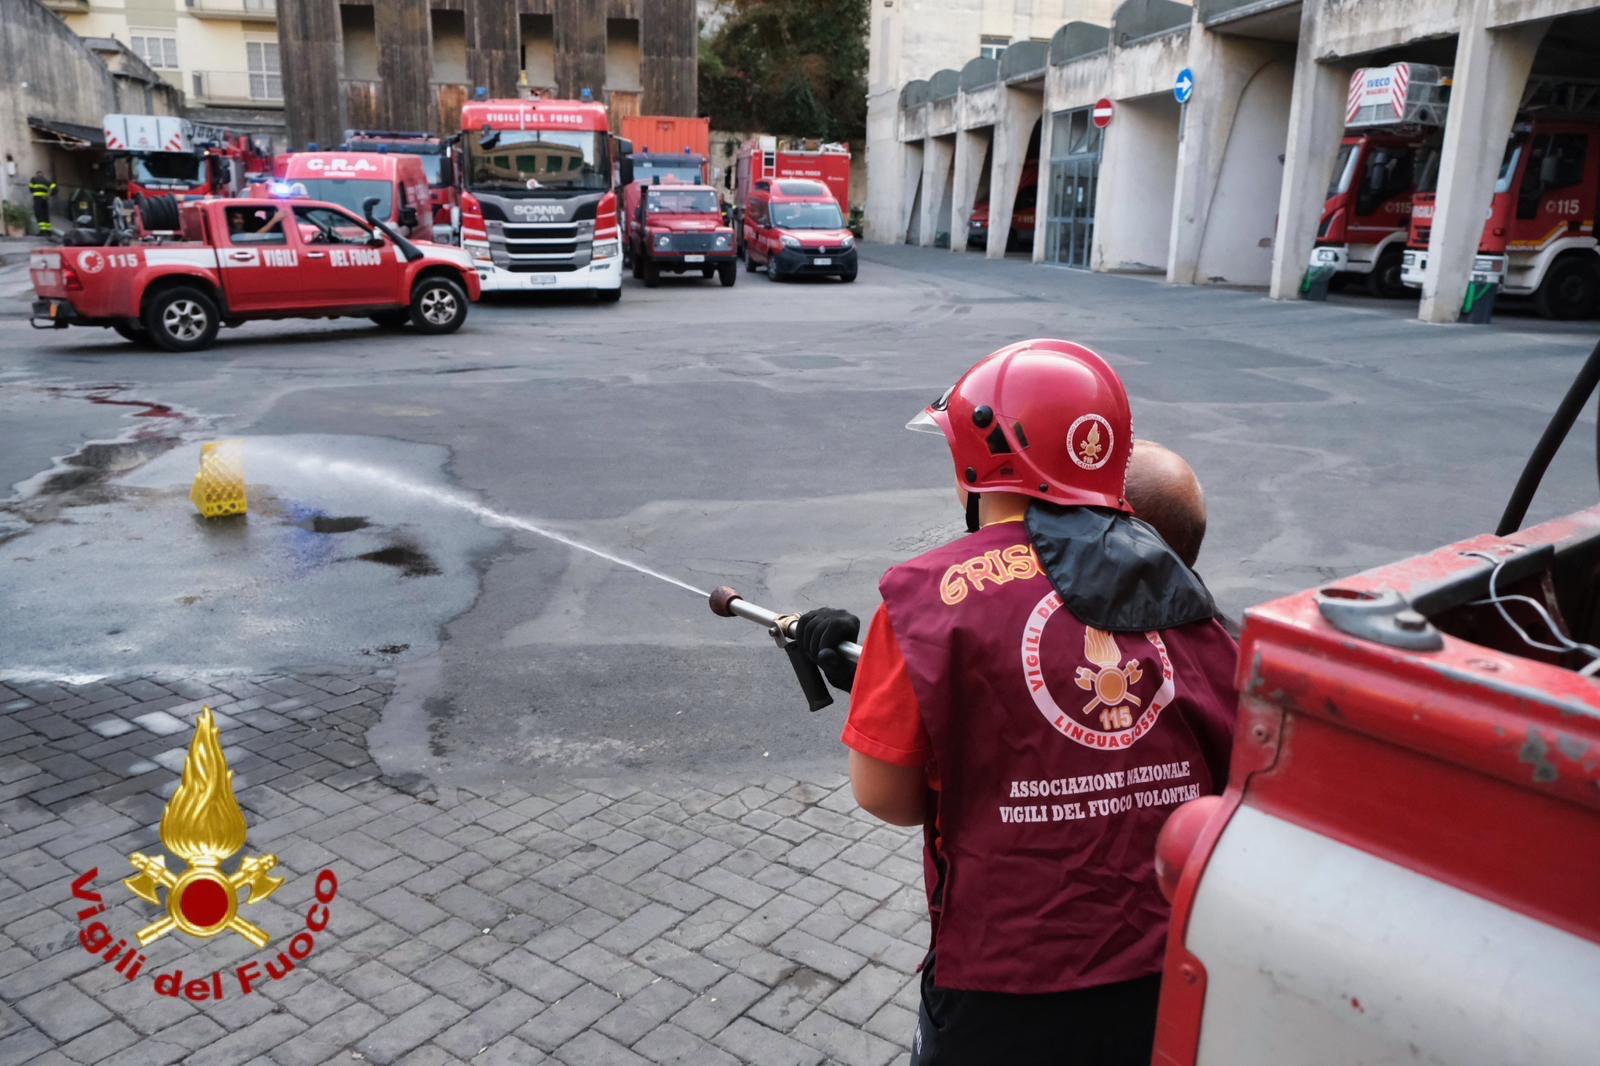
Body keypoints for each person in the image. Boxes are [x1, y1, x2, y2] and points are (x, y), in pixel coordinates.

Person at [795, 339, 1239, 1066]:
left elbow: (887, 796)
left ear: (976, 464)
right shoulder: (1190, 600)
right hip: (1173, 962)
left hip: (1006, 977)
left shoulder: (924, 599)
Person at [29, 169, 57, 236]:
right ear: (42, 174)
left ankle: (42, 231)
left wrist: (34, 192)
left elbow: (30, 187)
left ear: (37, 174)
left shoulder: (33, 179)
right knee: (45, 214)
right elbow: (54, 188)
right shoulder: (46, 181)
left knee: (39, 214)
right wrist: (51, 194)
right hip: (44, 199)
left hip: (37, 199)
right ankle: (48, 231)